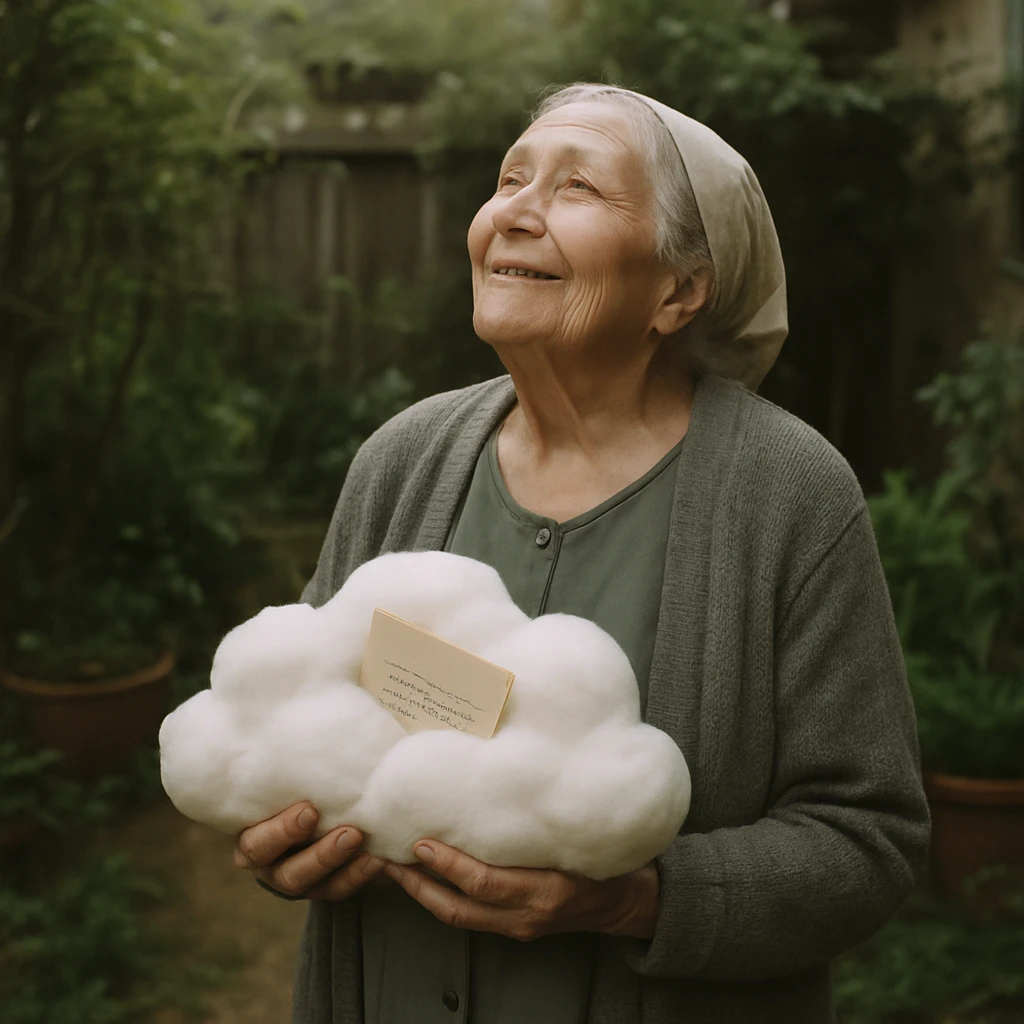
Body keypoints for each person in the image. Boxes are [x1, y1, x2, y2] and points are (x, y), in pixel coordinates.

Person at [232, 83, 930, 1024]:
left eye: (577, 188)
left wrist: (640, 900)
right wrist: (285, 828)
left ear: (679, 291)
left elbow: (869, 838)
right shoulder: (403, 460)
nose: (514, 212)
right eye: (510, 179)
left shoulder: (789, 494)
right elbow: (297, 719)